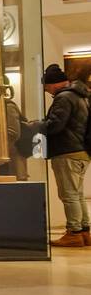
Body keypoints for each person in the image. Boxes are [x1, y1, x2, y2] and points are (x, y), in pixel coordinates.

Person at [29, 64, 91, 247]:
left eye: (47, 86)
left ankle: (74, 233)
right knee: (77, 194)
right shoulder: (82, 96)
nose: (46, 90)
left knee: (69, 194)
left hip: (66, 151)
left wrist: (37, 126)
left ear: (54, 84)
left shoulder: (64, 98)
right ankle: (84, 231)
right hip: (81, 151)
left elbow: (56, 125)